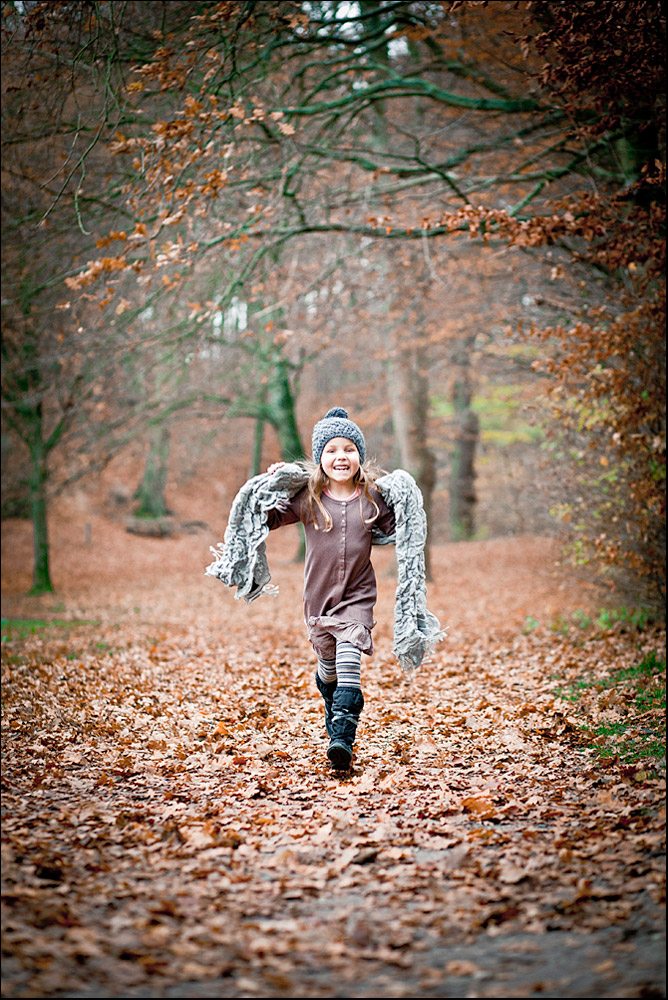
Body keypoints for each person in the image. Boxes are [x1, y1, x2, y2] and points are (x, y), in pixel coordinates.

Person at [264, 407, 396, 771]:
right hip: (318, 603)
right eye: (332, 450)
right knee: (331, 667)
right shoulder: (308, 499)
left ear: (360, 456)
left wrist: (405, 501)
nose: (341, 457)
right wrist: (272, 484)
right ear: (320, 458)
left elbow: (400, 526)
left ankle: (342, 737)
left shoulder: (373, 499)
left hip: (357, 599)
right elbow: (269, 517)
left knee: (350, 659)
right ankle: (329, 691)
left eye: (349, 449)